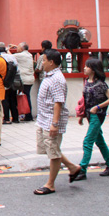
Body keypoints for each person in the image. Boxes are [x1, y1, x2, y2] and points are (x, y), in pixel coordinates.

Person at [33, 49, 81, 195]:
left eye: (45, 60)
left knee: (53, 152)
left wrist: (54, 124)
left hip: (51, 121)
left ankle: (50, 184)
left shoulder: (57, 79)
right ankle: (73, 168)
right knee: (51, 148)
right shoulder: (49, 75)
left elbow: (58, 102)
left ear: (51, 62)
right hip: (44, 119)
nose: (43, 62)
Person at [74, 58, 109, 181]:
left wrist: (97, 107)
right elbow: (85, 100)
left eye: (87, 66)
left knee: (87, 142)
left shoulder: (101, 84)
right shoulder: (87, 81)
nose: (84, 68)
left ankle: (82, 170)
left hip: (97, 116)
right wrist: (82, 116)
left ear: (93, 69)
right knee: (100, 141)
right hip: (89, 115)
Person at [13, 42, 35, 121]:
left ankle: (27, 115)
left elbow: (10, 56)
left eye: (18, 47)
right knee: (27, 96)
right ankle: (28, 115)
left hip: (24, 79)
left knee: (25, 97)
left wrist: (8, 49)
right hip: (30, 78)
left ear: (22, 48)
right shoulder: (29, 55)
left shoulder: (21, 55)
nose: (16, 49)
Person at [0, 42, 19, 124]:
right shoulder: (12, 57)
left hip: (3, 81)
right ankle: (15, 118)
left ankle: (6, 118)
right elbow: (17, 68)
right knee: (13, 100)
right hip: (12, 80)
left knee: (5, 100)